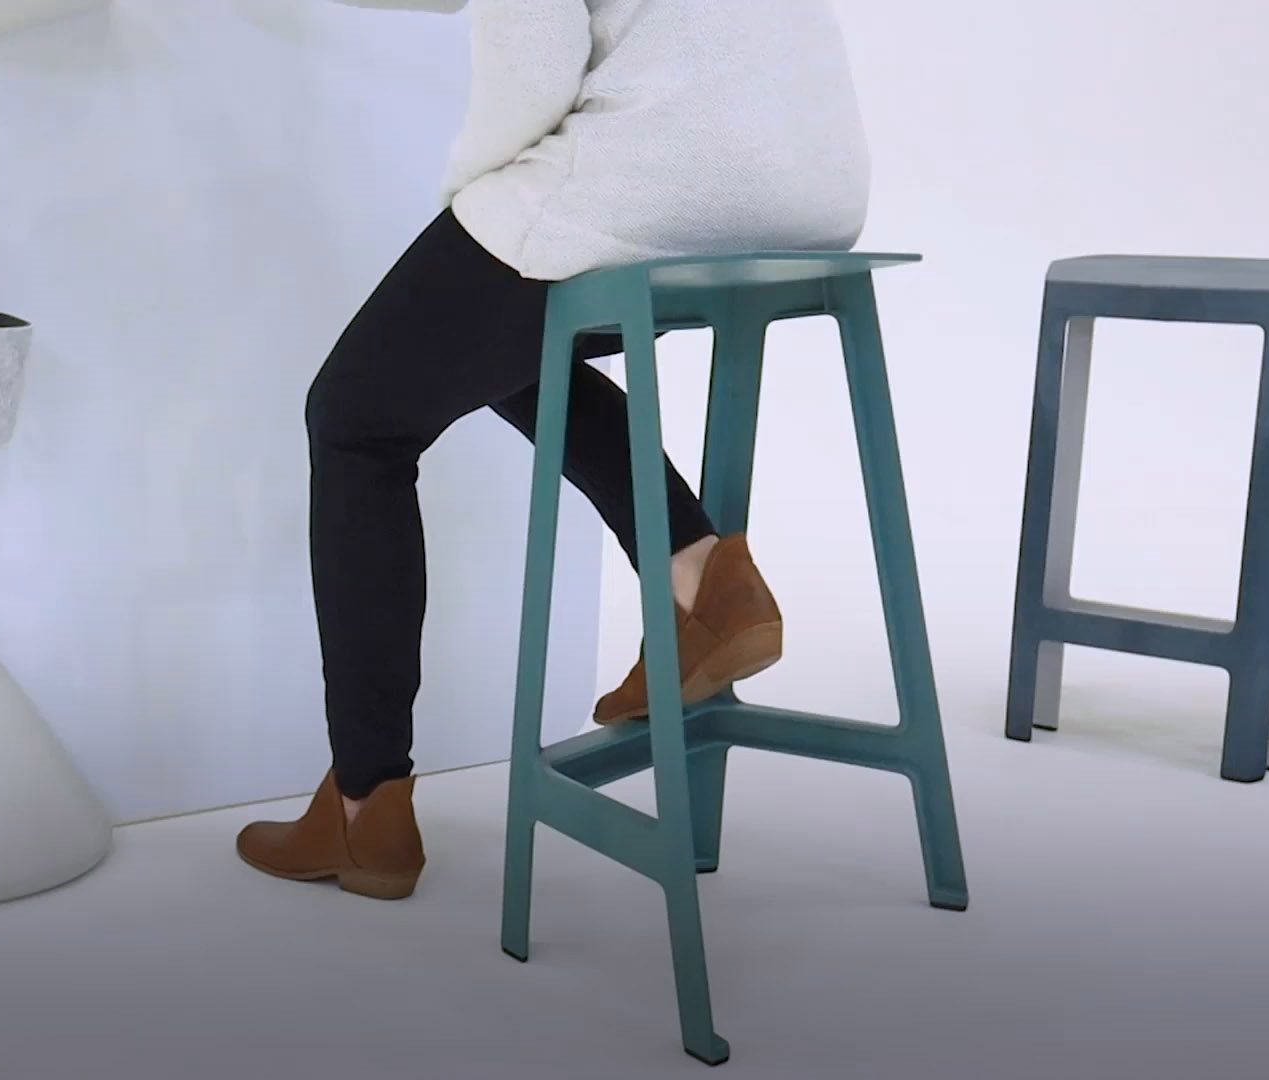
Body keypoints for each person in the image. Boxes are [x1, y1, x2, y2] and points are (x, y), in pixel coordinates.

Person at [236, 0, 872, 900]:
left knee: (354, 419)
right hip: (813, 184)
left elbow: (526, 71)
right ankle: (707, 579)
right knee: (499, 343)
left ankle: (365, 806)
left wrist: (468, 197)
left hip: (666, 173)